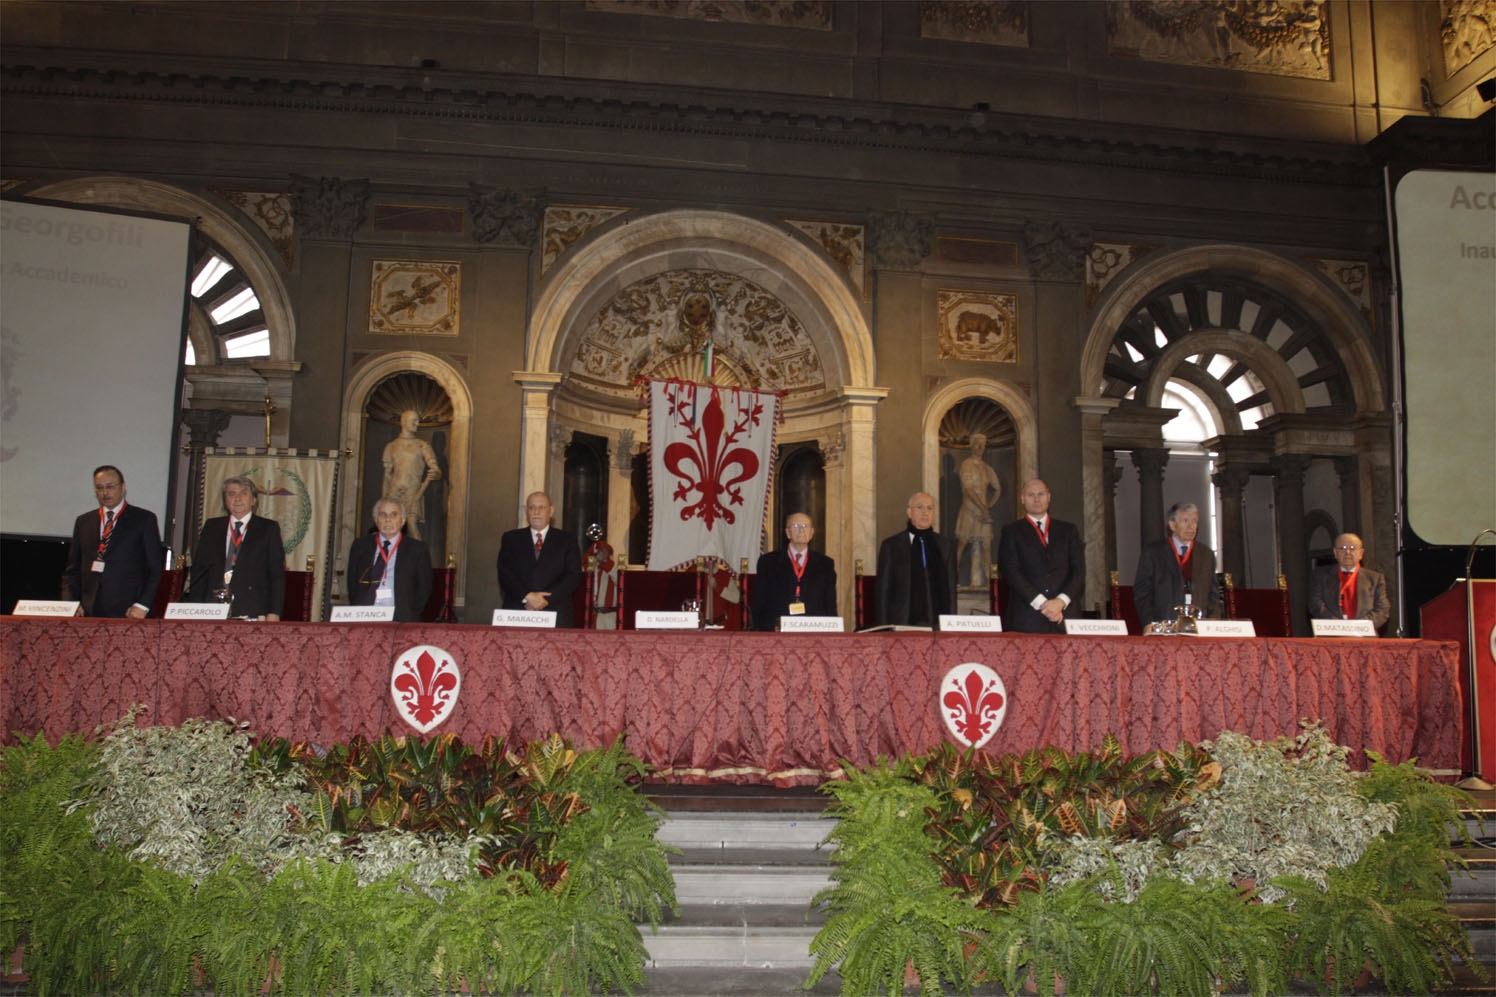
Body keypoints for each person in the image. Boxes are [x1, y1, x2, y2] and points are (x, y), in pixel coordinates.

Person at [60, 464, 164, 618]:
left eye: (110, 486)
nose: (105, 492)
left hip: (129, 610)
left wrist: (143, 605)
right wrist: (70, 604)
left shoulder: (143, 519)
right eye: (99, 488)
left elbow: (155, 569)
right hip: (89, 610)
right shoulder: (84, 521)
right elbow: (72, 570)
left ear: (123, 487)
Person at [187, 476, 286, 620]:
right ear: (225, 501)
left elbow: (276, 574)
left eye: (243, 493)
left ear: (253, 500)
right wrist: (194, 608)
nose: (237, 498)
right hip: (212, 608)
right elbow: (199, 571)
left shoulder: (268, 529)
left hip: (253, 609)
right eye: (231, 494)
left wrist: (274, 612)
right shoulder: (212, 527)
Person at [996, 478, 1085, 633]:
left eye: (1041, 494)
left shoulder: (1068, 531)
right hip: (1027, 618)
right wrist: (1043, 604)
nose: (1036, 499)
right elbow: (1010, 571)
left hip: (1065, 617)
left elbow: (1078, 572)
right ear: (1022, 499)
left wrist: (1060, 602)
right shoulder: (1011, 531)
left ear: (1049, 497)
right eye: (1030, 495)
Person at [1131, 501, 1223, 632]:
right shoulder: (1153, 553)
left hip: (1200, 627)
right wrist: (1149, 623)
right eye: (1185, 521)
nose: (1191, 526)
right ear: (1172, 525)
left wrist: (1213, 623)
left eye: (1195, 521)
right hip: (1164, 625)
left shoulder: (1206, 554)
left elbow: (1213, 595)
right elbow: (1142, 593)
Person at [497, 491, 582, 627]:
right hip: (517, 612)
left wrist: (542, 600)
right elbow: (505, 573)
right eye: (532, 507)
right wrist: (527, 597)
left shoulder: (567, 540)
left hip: (555, 613)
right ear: (526, 511)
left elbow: (573, 576)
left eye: (542, 507)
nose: (536, 511)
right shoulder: (511, 539)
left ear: (551, 511)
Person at [875, 491, 958, 627]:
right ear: (909, 512)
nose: (925, 512)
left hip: (937, 624)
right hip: (902, 622)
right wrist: (884, 628)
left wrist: (952, 626)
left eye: (929, 508)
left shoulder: (945, 546)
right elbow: (883, 591)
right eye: (920, 507)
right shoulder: (892, 546)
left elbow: (951, 590)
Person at [346, 496, 432, 622]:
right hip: (364, 615)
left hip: (400, 617)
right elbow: (352, 583)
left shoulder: (417, 549)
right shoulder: (360, 546)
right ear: (376, 520)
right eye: (382, 515)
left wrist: (409, 614)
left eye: (393, 514)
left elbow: (424, 589)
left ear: (402, 520)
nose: (388, 519)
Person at [752, 512, 837, 630]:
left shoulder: (825, 564)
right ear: (787, 532)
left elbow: (830, 604)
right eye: (796, 526)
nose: (801, 530)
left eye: (805, 526)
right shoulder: (768, 562)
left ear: (812, 533)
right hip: (777, 631)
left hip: (814, 631)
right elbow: (759, 602)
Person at [1307, 532, 1390, 631]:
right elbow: (1315, 604)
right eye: (1342, 548)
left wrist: (1358, 627)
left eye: (1352, 548)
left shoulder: (1375, 578)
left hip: (1364, 635)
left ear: (1361, 553)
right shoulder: (1320, 575)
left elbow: (1382, 609)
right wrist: (1339, 626)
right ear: (1335, 553)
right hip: (1331, 634)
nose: (1347, 552)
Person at [381, 409, 442, 541]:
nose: (417, 423)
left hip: (413, 491)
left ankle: (419, 558)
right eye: (413, 420)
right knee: (390, 528)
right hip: (394, 491)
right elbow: (386, 476)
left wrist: (435, 472)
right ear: (404, 422)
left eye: (417, 420)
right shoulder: (391, 446)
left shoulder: (422, 446)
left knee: (412, 525)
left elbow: (436, 469)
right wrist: (384, 500)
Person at [955, 433, 1002, 588]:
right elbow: (968, 489)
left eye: (983, 444)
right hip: (969, 509)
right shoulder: (966, 465)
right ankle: (953, 580)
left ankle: (989, 583)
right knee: (963, 543)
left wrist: (988, 506)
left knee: (986, 546)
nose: (980, 447)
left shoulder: (987, 468)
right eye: (977, 443)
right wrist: (983, 508)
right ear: (971, 445)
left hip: (983, 513)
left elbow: (997, 489)